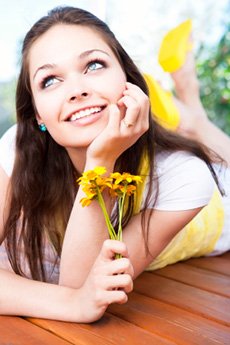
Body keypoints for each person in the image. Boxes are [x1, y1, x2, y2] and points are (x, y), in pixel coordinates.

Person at [0, 6, 229, 323]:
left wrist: (101, 161)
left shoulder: (184, 174)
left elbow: (83, 288)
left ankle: (192, 112)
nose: (77, 90)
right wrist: (73, 305)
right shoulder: (18, 147)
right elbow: (78, 296)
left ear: (128, 78)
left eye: (93, 65)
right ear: (38, 114)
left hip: (217, 207)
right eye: (50, 80)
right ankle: (189, 111)